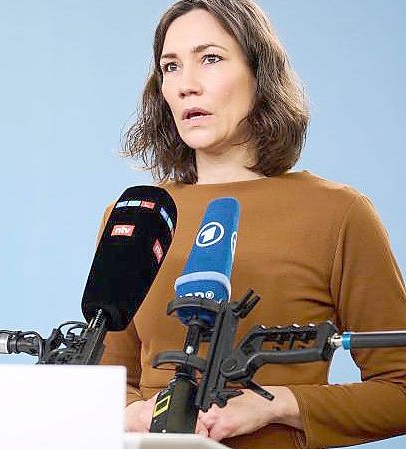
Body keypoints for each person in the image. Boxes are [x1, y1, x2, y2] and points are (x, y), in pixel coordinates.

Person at [99, 0, 406, 448]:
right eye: (170, 66)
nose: (186, 85)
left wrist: (276, 404)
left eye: (210, 59)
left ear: (259, 75)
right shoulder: (138, 218)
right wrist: (135, 414)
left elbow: (400, 388)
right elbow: (108, 380)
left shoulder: (337, 213)